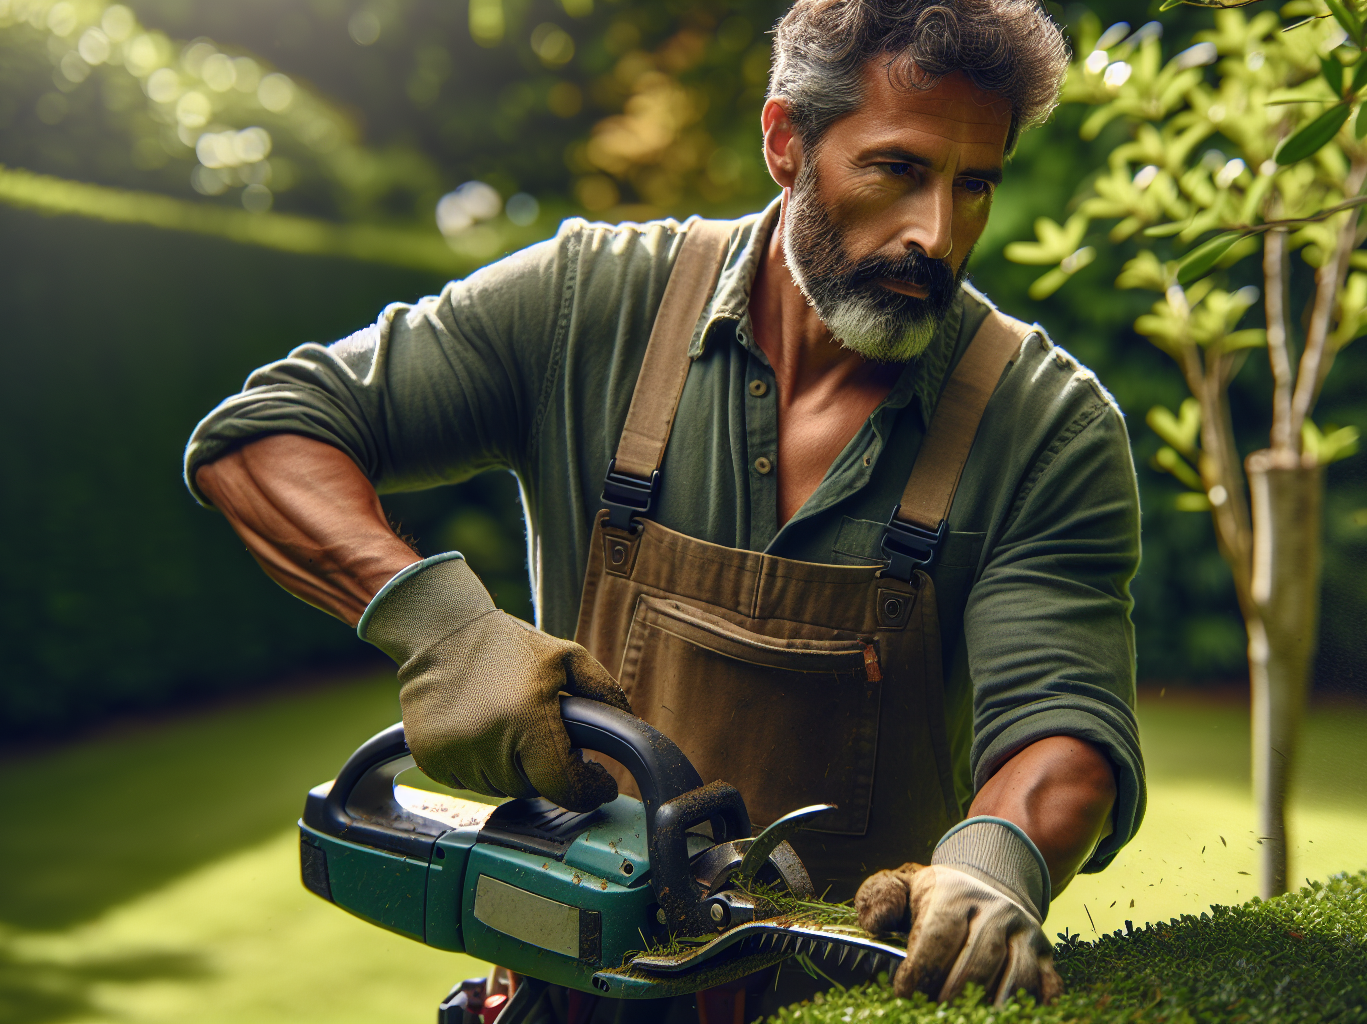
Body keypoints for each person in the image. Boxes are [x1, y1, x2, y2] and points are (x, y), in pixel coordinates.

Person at [186, 0, 1144, 1016]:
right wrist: (444, 632)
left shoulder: (1047, 424)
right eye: (897, 170)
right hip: (571, 990)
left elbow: (1061, 725)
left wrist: (994, 867)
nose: (937, 235)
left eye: (974, 184)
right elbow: (262, 434)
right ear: (786, 142)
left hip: (860, 999)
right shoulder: (587, 305)